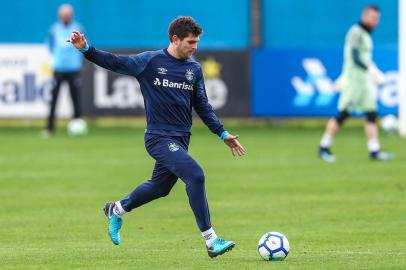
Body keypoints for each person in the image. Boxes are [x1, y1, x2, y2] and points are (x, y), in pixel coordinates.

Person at [67, 16, 245, 258]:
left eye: (197, 42)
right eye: (191, 42)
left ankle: (116, 209)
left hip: (181, 138)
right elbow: (115, 62)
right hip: (158, 138)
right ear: (175, 39)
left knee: (160, 188)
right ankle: (211, 240)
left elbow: (202, 106)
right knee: (195, 175)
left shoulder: (194, 69)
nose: (195, 47)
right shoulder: (150, 61)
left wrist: (222, 133)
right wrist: (86, 50)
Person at [318, 5, 393, 162]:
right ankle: (324, 146)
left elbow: (363, 57)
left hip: (364, 81)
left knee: (371, 114)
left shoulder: (365, 35)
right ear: (364, 16)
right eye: (373, 18)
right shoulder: (355, 32)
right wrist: (372, 70)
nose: (375, 22)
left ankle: (374, 150)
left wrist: (371, 71)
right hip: (353, 81)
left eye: (377, 19)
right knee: (343, 114)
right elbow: (355, 57)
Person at [43, 4, 84, 138]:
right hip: (59, 69)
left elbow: (84, 45)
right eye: (63, 14)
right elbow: (49, 45)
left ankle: (77, 127)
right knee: (54, 99)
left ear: (71, 15)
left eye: (68, 14)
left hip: (73, 69)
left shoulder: (78, 28)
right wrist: (56, 59)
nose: (65, 16)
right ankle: (49, 128)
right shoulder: (54, 29)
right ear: (60, 15)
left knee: (75, 99)